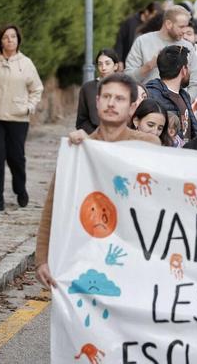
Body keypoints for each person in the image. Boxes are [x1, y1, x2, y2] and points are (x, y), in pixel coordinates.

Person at [36, 73, 161, 288]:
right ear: (97, 101)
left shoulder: (148, 146)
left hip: (134, 255)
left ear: (132, 107)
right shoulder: (77, 150)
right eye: (106, 97)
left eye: (119, 98)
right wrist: (42, 259)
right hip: (86, 256)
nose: (111, 103)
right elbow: (53, 204)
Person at [0, 24, 44, 214]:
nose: (10, 40)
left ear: (18, 39)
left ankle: (20, 188)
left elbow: (37, 89)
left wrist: (29, 107)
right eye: (6, 37)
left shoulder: (26, 63)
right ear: (0, 41)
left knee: (16, 158)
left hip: (18, 118)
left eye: (13, 36)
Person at [125, 5, 197, 99]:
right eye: (181, 27)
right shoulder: (142, 42)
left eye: (186, 26)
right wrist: (149, 66)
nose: (184, 31)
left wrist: (184, 103)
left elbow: (195, 83)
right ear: (168, 24)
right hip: (147, 105)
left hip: (177, 106)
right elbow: (128, 78)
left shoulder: (188, 47)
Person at [144, 45, 197, 144]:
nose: (190, 70)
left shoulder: (184, 96)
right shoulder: (152, 95)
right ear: (183, 70)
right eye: (188, 66)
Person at [76, 48, 121, 134]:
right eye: (100, 64)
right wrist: (97, 134)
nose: (103, 68)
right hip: (95, 136)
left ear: (115, 66)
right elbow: (81, 121)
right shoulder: (87, 88)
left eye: (107, 63)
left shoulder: (125, 87)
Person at [114, 1, 160, 68]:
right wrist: (119, 60)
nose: (154, 18)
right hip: (127, 62)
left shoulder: (154, 26)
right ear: (147, 12)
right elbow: (120, 40)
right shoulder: (130, 22)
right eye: (153, 15)